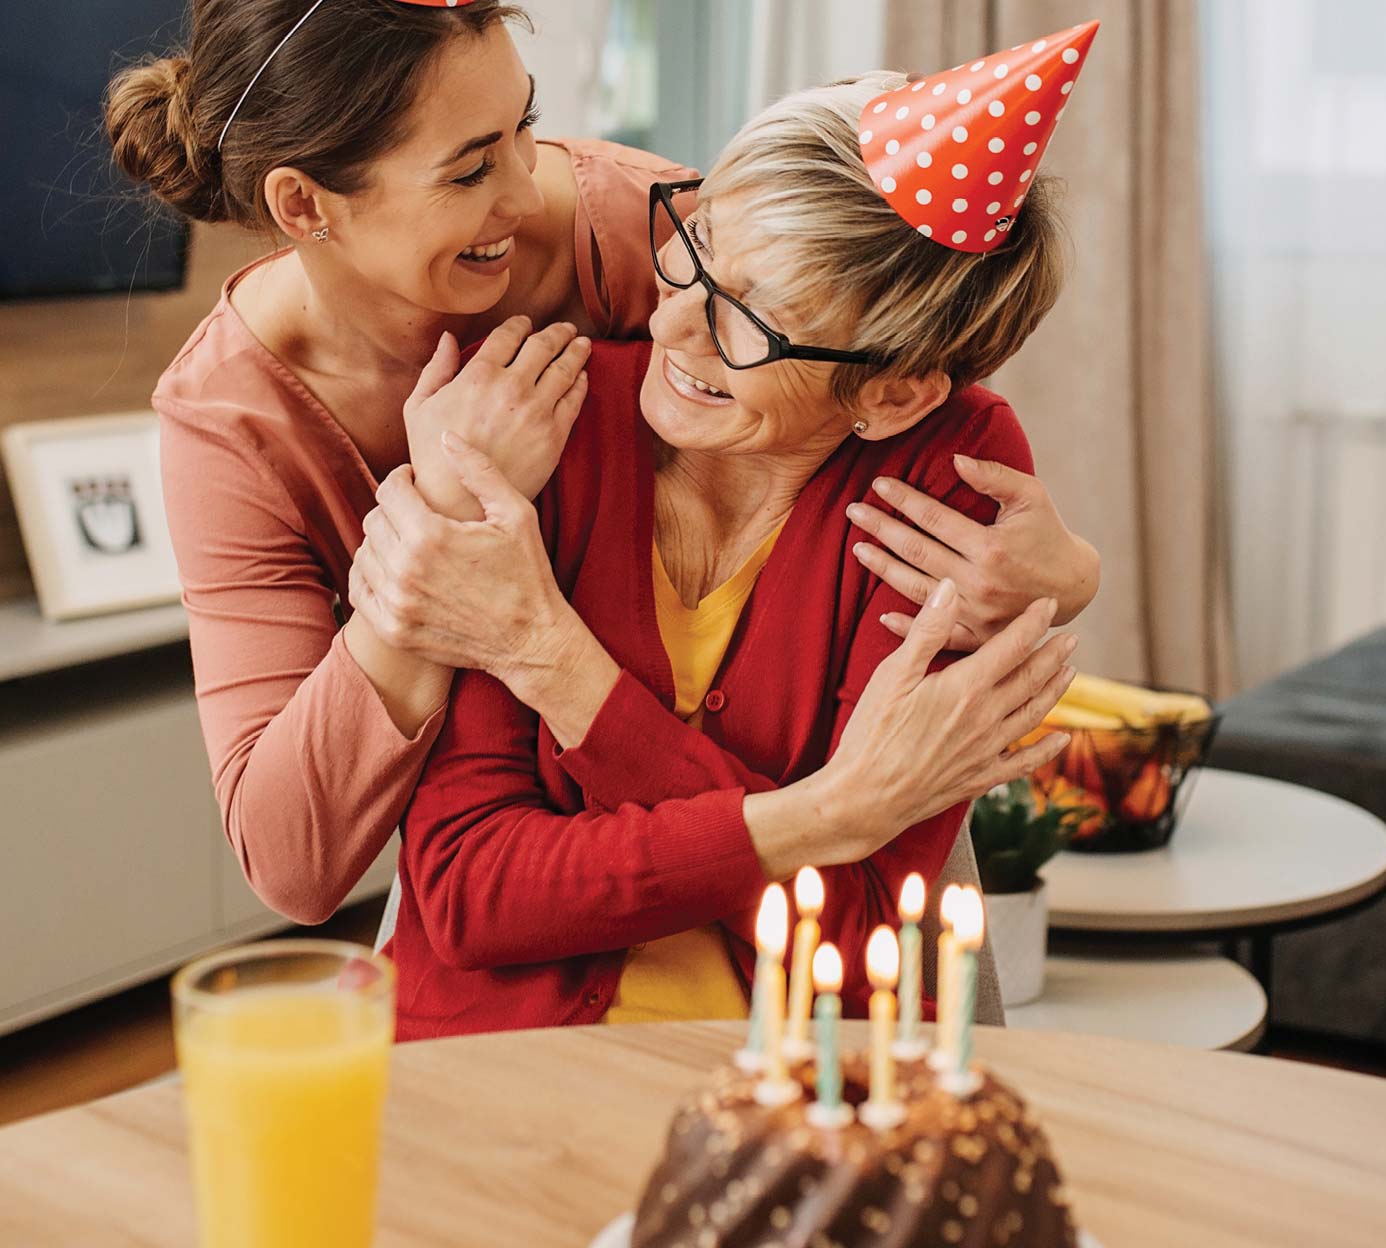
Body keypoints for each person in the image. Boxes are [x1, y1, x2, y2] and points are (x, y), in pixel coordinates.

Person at [103, 0, 1100, 924]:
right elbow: (304, 863)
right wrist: (438, 539)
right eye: (468, 169)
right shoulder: (234, 425)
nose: (525, 184)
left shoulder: (648, 226)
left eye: (523, 127)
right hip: (559, 903)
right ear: (304, 205)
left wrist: (1065, 575)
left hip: (819, 924)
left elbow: (897, 349)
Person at [390, 31, 1100, 1038]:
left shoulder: (944, 491)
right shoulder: (544, 416)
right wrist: (821, 817)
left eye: (750, 322)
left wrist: (553, 663)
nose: (671, 328)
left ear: (891, 394)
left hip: (792, 1088)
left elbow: (855, 944)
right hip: (500, 1076)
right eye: (697, 254)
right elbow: (471, 892)